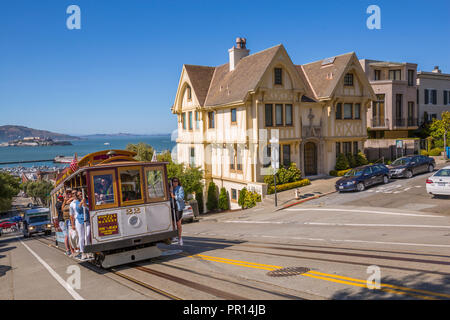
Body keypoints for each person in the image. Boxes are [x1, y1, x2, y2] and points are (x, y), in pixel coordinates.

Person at [73, 190, 91, 261]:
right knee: (82, 237)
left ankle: (88, 251)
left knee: (87, 236)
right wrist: (81, 203)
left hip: (87, 220)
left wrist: (85, 204)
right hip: (80, 221)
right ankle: (82, 252)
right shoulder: (77, 202)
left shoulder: (87, 201)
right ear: (77, 196)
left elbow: (89, 209)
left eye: (81, 194)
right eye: (79, 194)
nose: (81, 195)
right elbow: (78, 209)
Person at [170, 177, 185, 246]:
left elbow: (181, 197)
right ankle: (174, 236)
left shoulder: (180, 188)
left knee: (178, 223)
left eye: (176, 181)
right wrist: (170, 191)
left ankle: (180, 238)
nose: (175, 182)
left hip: (178, 207)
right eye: (174, 181)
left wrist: (174, 196)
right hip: (172, 207)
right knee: (172, 222)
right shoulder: (171, 188)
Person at [62, 189, 76, 256]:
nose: (68, 194)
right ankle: (70, 250)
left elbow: (73, 200)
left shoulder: (73, 199)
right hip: (67, 220)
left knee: (74, 235)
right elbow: (62, 209)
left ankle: (74, 249)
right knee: (69, 236)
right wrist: (65, 201)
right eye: (67, 193)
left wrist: (68, 200)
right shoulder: (65, 201)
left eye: (69, 193)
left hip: (72, 219)